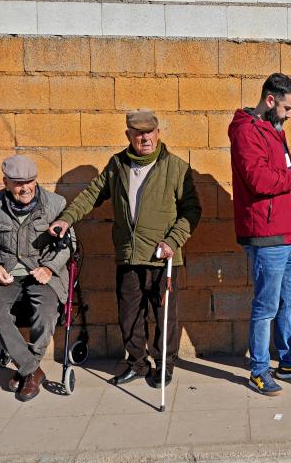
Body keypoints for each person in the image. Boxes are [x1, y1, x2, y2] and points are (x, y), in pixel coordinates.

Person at [48, 109, 201, 388]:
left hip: (163, 256)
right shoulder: (117, 165)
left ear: (158, 133)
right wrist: (65, 219)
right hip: (129, 254)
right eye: (137, 133)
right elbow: (92, 194)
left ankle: (164, 365)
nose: (144, 138)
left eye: (149, 132)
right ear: (128, 135)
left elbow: (192, 210)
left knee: (164, 315)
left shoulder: (176, 167)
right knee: (129, 314)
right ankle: (138, 363)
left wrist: (173, 241)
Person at [228, 73, 291, 396]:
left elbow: (277, 171)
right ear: (270, 101)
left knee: (288, 301)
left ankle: (288, 359)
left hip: (286, 232)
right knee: (266, 306)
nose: (290, 114)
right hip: (266, 234)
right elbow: (259, 180)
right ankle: (259, 370)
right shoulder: (246, 131)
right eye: (287, 108)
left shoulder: (272, 130)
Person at [0, 154, 70, 401]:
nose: (26, 187)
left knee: (45, 313)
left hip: (42, 274)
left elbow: (68, 245)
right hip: (6, 275)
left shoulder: (55, 204)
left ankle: (24, 371)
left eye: (30, 181)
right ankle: (32, 370)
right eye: (19, 183)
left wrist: (50, 268)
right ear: (6, 182)